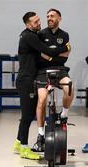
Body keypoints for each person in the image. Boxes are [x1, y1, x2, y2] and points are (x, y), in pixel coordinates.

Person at [13, 11, 70, 160]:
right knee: (27, 116)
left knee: (27, 115)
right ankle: (24, 148)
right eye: (35, 22)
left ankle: (18, 143)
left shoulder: (29, 35)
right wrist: (66, 48)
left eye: (39, 20)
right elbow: (47, 50)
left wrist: (53, 56)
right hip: (26, 80)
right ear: (28, 25)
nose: (39, 23)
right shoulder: (29, 37)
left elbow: (47, 55)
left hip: (28, 79)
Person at [33, 8, 74, 151]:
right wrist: (54, 55)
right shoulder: (40, 34)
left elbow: (66, 56)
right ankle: (40, 134)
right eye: (48, 16)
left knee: (69, 87)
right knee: (42, 99)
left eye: (52, 16)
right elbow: (39, 56)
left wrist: (50, 56)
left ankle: (64, 114)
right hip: (43, 71)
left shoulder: (65, 35)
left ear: (59, 18)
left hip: (60, 70)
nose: (49, 18)